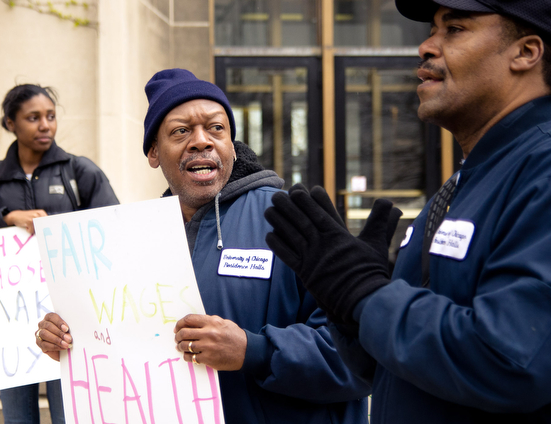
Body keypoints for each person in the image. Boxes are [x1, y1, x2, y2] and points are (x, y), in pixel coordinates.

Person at [264, 0, 551, 423]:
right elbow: (391, 368)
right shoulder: (467, 180)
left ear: (526, 52)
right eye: (433, 29)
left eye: (454, 29)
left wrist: (367, 295)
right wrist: (348, 310)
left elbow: (515, 361)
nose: (425, 46)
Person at [35, 68, 371, 423]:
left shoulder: (295, 218)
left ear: (231, 145)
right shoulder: (132, 240)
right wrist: (73, 341)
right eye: (181, 131)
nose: (201, 140)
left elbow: (357, 353)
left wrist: (252, 350)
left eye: (216, 128)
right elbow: (122, 346)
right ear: (153, 152)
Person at [0, 84, 119, 424]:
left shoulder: (79, 171)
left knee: (70, 415)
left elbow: (113, 229)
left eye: (51, 117)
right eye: (33, 118)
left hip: (69, 321)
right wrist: (6, 218)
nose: (45, 125)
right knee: (18, 418)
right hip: (10, 327)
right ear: (10, 123)